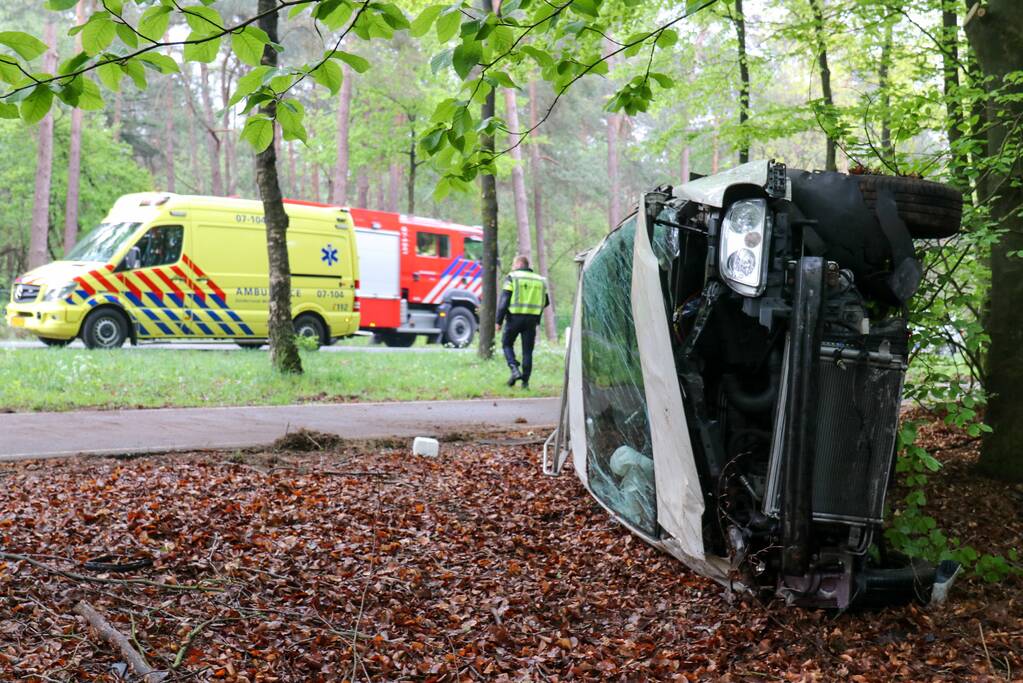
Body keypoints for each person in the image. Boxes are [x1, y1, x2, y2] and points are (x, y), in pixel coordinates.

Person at [496, 255, 549, 389]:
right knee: (527, 351)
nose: (513, 267)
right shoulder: (540, 280)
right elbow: (546, 302)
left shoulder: (512, 277)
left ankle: (514, 369)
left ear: (519, 264)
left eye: (514, 264)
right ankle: (525, 383)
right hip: (531, 320)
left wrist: (498, 321)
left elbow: (504, 301)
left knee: (507, 344)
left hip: (514, 318)